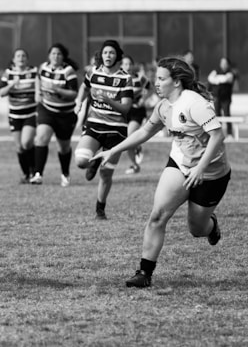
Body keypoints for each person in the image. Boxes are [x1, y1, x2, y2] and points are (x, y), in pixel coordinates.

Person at [92, 57, 231, 288]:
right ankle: (144, 273)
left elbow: (218, 136)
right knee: (157, 216)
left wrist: (201, 168)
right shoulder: (163, 106)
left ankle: (211, 226)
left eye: (161, 78)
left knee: (196, 229)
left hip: (211, 172)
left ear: (176, 82)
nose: (156, 83)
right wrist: (112, 151)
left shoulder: (194, 103)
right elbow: (144, 132)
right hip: (180, 164)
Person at [74, 40, 133, 220]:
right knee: (81, 161)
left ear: (117, 56)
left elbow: (126, 109)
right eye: (105, 52)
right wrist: (78, 101)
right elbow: (84, 88)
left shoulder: (125, 78)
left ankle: (100, 209)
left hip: (116, 131)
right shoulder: (93, 72)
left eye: (112, 53)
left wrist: (108, 100)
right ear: (101, 55)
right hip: (94, 124)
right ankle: (94, 161)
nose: (108, 56)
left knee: (106, 173)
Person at [30, 43, 79, 187]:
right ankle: (38, 174)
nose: (55, 56)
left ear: (63, 57)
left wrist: (57, 90)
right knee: (41, 137)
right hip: (46, 109)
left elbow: (73, 94)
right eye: (53, 54)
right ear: (48, 55)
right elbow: (38, 78)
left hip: (65, 114)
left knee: (63, 147)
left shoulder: (68, 71)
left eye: (58, 54)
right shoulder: (43, 67)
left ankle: (65, 174)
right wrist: (37, 93)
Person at [0, 48, 38, 184]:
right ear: (14, 59)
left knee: (27, 142)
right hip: (15, 114)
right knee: (19, 147)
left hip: (31, 113)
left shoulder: (34, 72)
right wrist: (12, 85)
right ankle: (26, 173)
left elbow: (40, 88)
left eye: (23, 56)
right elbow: (1, 92)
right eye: (18, 56)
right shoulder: (8, 73)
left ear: (27, 59)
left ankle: (34, 171)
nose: (21, 58)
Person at [122, 55, 151, 174]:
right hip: (124, 111)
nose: (128, 67)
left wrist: (143, 98)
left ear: (133, 65)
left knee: (129, 136)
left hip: (137, 112)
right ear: (121, 66)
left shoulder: (140, 78)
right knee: (126, 141)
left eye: (130, 64)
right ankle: (134, 165)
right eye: (125, 64)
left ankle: (137, 145)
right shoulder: (118, 79)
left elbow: (148, 86)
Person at [208, 57, 236, 138]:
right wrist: (218, 79)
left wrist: (216, 79)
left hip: (226, 98)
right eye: (222, 63)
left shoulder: (231, 73)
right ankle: (218, 134)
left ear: (228, 64)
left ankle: (229, 133)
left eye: (225, 63)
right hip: (216, 97)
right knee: (217, 115)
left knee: (227, 115)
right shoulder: (216, 71)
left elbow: (225, 79)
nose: (223, 65)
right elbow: (210, 78)